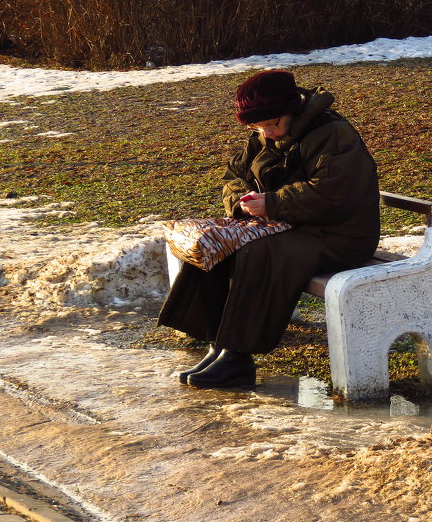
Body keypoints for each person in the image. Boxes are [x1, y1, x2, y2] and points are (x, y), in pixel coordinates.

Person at [157, 70, 381, 388]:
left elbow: (334, 195)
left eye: (272, 125)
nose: (267, 133)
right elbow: (234, 175)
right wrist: (243, 201)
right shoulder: (266, 134)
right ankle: (217, 344)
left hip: (341, 235)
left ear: (291, 110)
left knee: (259, 252)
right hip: (294, 225)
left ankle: (237, 358)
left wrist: (273, 203)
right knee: (213, 241)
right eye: (258, 127)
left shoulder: (330, 133)